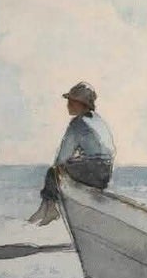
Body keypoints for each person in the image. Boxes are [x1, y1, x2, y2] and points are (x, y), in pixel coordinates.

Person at [27, 82, 115, 225]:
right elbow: (109, 150)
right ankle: (47, 208)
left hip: (92, 170)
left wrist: (59, 170)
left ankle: (50, 208)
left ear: (80, 104)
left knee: (52, 172)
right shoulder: (98, 121)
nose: (68, 105)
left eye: (71, 102)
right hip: (105, 172)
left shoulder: (77, 123)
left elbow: (63, 155)